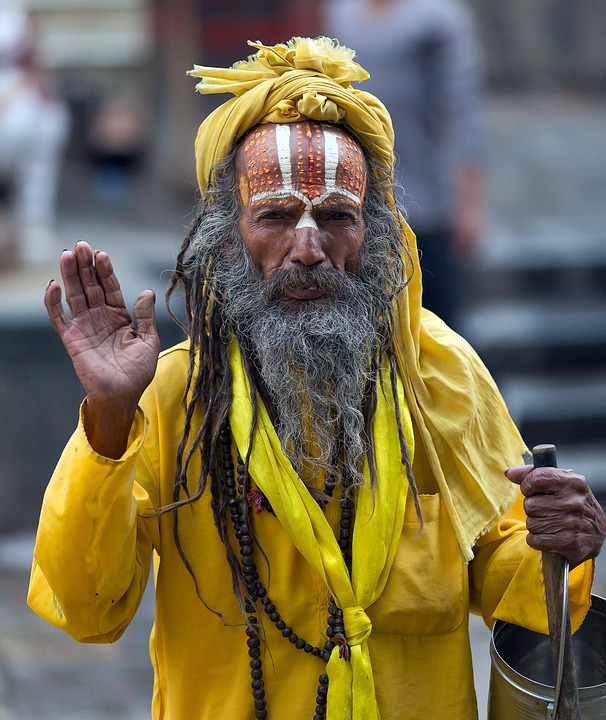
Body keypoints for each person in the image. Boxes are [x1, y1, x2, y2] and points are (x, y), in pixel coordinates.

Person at [28, 37, 605, 720]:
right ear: (227, 235)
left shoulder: (439, 371)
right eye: (274, 217)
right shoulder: (170, 394)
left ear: (377, 233)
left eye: (337, 217)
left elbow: (508, 573)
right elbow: (88, 611)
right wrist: (111, 416)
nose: (308, 249)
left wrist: (563, 546)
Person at [323, 0, 486, 330]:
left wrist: (469, 202)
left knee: (439, 326)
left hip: (428, 204)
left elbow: (463, 115)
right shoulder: (342, 13)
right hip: (361, 202)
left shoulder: (437, 17)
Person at [0, 0, 70, 267]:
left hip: (27, 112)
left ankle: (32, 232)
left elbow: (32, 63)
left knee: (36, 178)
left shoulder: (14, 14)